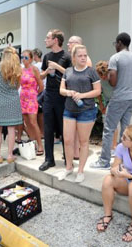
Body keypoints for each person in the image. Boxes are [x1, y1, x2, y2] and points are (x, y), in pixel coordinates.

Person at [96, 124, 132, 243]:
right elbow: (114, 166)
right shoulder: (121, 147)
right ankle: (108, 215)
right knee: (108, 179)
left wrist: (127, 175)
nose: (121, 139)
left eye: (124, 137)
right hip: (127, 179)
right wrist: (115, 171)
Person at [91, 32, 132, 169]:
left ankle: (104, 162)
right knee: (126, 131)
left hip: (118, 98)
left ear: (119, 43)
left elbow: (113, 82)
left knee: (108, 130)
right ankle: (123, 162)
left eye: (115, 44)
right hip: (131, 97)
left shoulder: (115, 58)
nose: (115, 46)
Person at [59, 45, 101, 182]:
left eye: (85, 55)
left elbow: (97, 91)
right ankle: (69, 168)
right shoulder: (68, 71)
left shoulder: (91, 72)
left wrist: (81, 95)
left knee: (83, 142)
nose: (83, 58)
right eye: (80, 56)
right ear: (74, 57)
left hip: (86, 111)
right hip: (69, 110)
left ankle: (81, 171)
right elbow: (61, 90)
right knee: (68, 141)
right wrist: (68, 92)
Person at [39, 29, 72, 171]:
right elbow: (41, 76)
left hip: (62, 96)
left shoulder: (67, 56)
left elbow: (72, 74)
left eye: (48, 38)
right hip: (49, 95)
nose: (45, 40)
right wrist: (47, 71)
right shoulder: (46, 56)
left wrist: (57, 67)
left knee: (64, 128)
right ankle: (49, 159)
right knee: (47, 128)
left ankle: (68, 158)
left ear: (55, 40)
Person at [0, 47, 23, 164]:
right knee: (11, 129)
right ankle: (10, 155)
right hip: (12, 101)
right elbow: (17, 87)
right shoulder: (18, 70)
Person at [67, 35, 93, 160]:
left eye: (70, 42)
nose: (68, 45)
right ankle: (75, 153)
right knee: (73, 133)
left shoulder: (86, 61)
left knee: (81, 135)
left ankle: (78, 153)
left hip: (84, 105)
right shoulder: (73, 62)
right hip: (72, 102)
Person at [20, 49, 44, 155]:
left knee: (34, 122)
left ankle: (40, 145)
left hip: (31, 99)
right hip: (23, 98)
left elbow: (41, 86)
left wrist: (34, 94)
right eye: (22, 57)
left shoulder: (34, 69)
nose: (23, 59)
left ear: (31, 59)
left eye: (26, 57)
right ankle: (32, 143)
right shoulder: (20, 70)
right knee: (27, 123)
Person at [96, 60, 118, 156]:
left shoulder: (113, 78)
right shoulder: (99, 80)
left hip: (115, 101)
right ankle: (107, 146)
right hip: (106, 102)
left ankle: (113, 147)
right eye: (101, 76)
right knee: (106, 124)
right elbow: (99, 93)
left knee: (113, 125)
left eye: (104, 75)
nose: (103, 78)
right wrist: (101, 105)